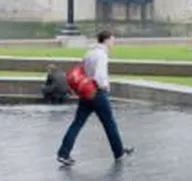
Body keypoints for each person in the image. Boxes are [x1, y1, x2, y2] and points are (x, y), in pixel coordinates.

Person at [56, 30, 134, 166]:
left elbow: (83, 72)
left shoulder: (89, 53)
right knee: (110, 124)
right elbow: (100, 76)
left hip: (86, 92)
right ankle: (119, 153)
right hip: (97, 93)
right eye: (112, 39)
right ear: (106, 40)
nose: (113, 42)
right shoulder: (102, 55)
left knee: (77, 123)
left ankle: (63, 153)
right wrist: (105, 87)